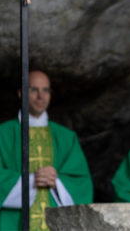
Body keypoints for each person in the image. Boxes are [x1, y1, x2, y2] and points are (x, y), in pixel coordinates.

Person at [0, 70, 93, 231]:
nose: (40, 96)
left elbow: (82, 183)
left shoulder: (66, 137)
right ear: (21, 93)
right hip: (13, 223)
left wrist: (56, 181)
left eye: (45, 90)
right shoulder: (3, 133)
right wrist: (30, 181)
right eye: (34, 90)